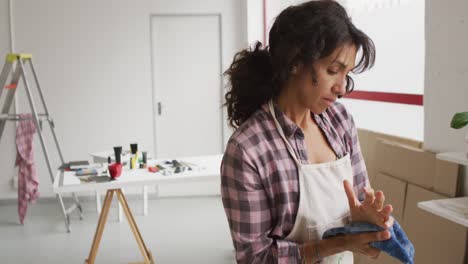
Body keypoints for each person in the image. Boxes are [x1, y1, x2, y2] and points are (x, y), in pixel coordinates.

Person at [220, 1, 395, 263]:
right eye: (333, 70)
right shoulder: (248, 150)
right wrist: (338, 243)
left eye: (346, 74)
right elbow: (255, 258)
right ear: (295, 62)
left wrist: (368, 222)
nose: (342, 88)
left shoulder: (340, 121)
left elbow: (360, 197)